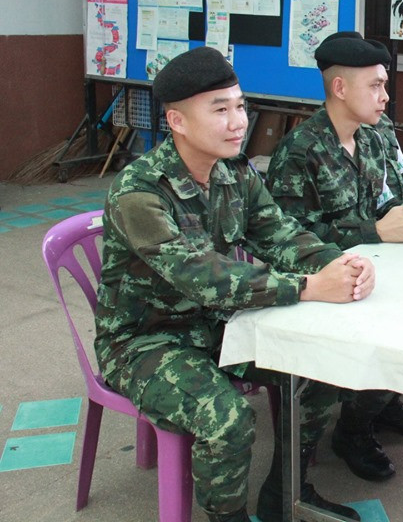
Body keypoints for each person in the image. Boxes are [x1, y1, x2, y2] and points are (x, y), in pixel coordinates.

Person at [94, 46, 375, 522]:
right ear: (178, 121)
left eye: (240, 106)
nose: (238, 122)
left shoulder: (233, 173)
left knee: (318, 371)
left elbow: (278, 233)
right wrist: (307, 286)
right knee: (227, 419)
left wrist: (341, 263)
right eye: (219, 110)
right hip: (144, 342)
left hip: (217, 326)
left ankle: (284, 494)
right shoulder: (139, 192)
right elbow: (203, 277)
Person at [267, 31, 403, 483]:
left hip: (383, 269)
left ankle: (380, 401)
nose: (386, 97)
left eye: (386, 85)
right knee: (397, 322)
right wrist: (374, 231)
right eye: (376, 86)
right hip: (330, 285)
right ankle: (354, 428)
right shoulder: (300, 151)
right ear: (340, 88)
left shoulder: (377, 135)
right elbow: (289, 238)